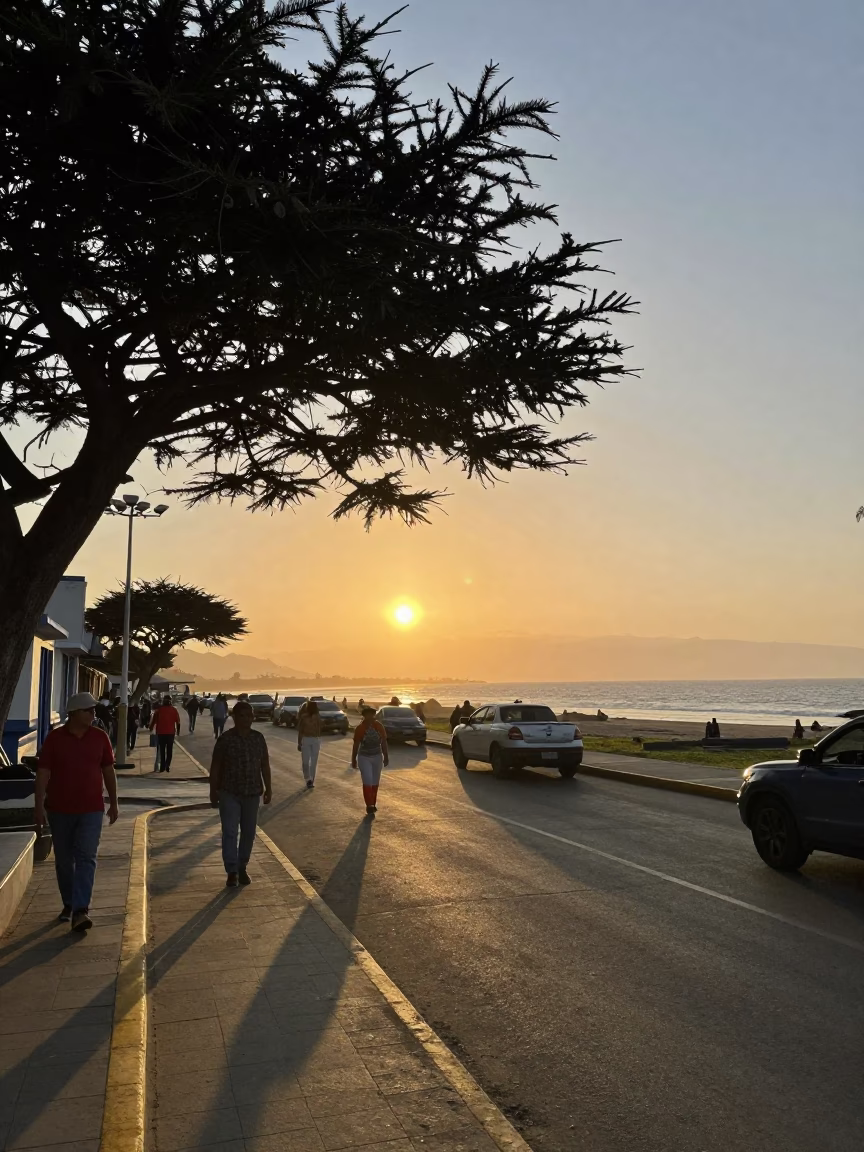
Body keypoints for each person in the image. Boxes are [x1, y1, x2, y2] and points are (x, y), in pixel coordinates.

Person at [33, 692, 119, 931]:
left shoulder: (100, 737)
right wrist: (38, 807)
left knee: (86, 857)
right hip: (59, 809)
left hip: (91, 809)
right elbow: (43, 774)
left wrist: (114, 802)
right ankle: (69, 903)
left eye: (93, 710)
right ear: (74, 714)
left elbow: (108, 771)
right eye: (88, 711)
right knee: (63, 861)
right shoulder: (55, 739)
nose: (93, 714)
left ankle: (81, 909)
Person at [209, 700, 272, 886]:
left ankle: (242, 865)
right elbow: (216, 766)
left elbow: (265, 765)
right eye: (242, 716)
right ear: (234, 717)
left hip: (252, 793)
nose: (246, 719)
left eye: (249, 715)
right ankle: (232, 871)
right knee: (229, 831)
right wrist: (213, 790)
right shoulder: (225, 739)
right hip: (229, 792)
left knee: (249, 832)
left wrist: (269, 788)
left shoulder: (258, 738)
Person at [351, 705, 389, 815]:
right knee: (367, 781)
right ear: (364, 716)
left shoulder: (379, 726)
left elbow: (384, 742)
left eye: (372, 715)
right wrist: (354, 759)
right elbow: (356, 744)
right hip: (364, 757)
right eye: (367, 715)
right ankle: (369, 805)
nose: (370, 717)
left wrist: (386, 756)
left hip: (377, 756)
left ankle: (373, 803)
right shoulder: (360, 728)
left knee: (375, 782)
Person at [150, 694, 181, 772]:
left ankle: (162, 767)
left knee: (162, 750)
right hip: (170, 733)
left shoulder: (159, 710)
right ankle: (168, 765)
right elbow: (178, 722)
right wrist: (178, 732)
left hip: (161, 733)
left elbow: (153, 721)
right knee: (169, 750)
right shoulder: (174, 710)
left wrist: (150, 728)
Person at [297, 700, 321, 788]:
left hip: (315, 740)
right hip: (306, 739)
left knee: (313, 762)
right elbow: (300, 730)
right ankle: (307, 779)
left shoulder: (317, 716)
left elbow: (319, 728)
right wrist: (299, 743)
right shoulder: (303, 717)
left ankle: (311, 780)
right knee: (306, 761)